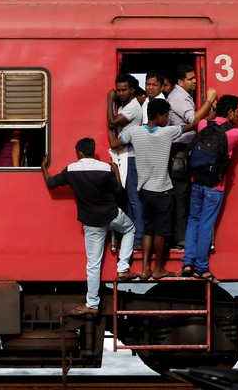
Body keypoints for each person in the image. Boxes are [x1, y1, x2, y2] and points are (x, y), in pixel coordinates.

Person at [41, 138, 137, 316]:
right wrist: (116, 170)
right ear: (92, 151)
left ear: (79, 152)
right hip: (111, 215)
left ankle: (92, 304)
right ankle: (123, 268)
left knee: (93, 265)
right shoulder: (105, 168)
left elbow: (51, 183)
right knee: (130, 229)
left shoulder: (71, 170)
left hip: (91, 222)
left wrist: (43, 167)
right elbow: (119, 193)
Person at [107, 98, 198, 280]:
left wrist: (110, 124)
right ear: (159, 116)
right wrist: (209, 110)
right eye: (166, 115)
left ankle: (145, 268)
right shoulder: (167, 132)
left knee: (148, 230)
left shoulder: (134, 131)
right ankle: (158, 269)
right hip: (163, 190)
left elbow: (114, 144)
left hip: (144, 191)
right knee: (161, 232)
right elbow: (193, 124)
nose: (168, 119)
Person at [180, 95, 238, 284]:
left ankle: (187, 263)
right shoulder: (235, 133)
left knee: (193, 220)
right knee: (206, 224)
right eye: (237, 111)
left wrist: (213, 108)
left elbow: (206, 120)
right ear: (230, 112)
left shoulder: (203, 126)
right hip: (215, 186)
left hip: (196, 181)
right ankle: (202, 266)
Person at [167, 64, 217, 248]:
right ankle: (180, 237)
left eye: (195, 78)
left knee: (184, 194)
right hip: (180, 151)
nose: (195, 81)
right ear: (180, 82)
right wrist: (209, 101)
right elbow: (194, 120)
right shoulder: (179, 97)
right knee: (181, 195)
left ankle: (182, 235)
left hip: (185, 150)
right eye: (190, 79)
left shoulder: (182, 95)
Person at [107, 74, 144, 250]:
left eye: (124, 90)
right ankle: (132, 234)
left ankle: (139, 237)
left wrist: (108, 101)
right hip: (126, 156)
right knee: (128, 198)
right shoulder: (126, 105)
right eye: (118, 90)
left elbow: (113, 122)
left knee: (134, 199)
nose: (120, 93)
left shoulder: (132, 107)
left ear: (132, 90)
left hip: (132, 157)